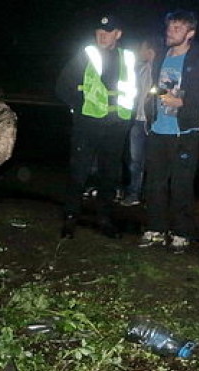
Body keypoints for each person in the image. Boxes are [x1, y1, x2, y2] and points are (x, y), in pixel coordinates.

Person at [56, 14, 138, 239]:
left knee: (109, 175)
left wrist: (127, 119)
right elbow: (62, 86)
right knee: (78, 172)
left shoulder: (128, 58)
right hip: (88, 125)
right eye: (99, 31)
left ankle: (105, 219)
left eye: (108, 31)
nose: (102, 35)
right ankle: (70, 219)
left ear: (118, 34)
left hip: (116, 127)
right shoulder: (85, 55)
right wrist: (79, 107)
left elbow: (134, 89)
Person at [140, 9, 199, 254]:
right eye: (169, 27)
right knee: (154, 182)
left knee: (181, 185)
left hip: (185, 133)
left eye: (177, 28)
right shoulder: (161, 57)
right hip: (158, 129)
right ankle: (155, 228)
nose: (170, 31)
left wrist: (183, 104)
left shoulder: (198, 60)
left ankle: (182, 232)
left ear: (190, 33)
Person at [122, 35, 162, 207]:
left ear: (150, 50)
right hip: (137, 121)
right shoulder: (140, 69)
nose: (140, 52)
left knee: (153, 162)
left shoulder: (162, 70)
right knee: (135, 161)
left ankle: (150, 197)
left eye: (142, 48)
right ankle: (134, 193)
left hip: (154, 123)